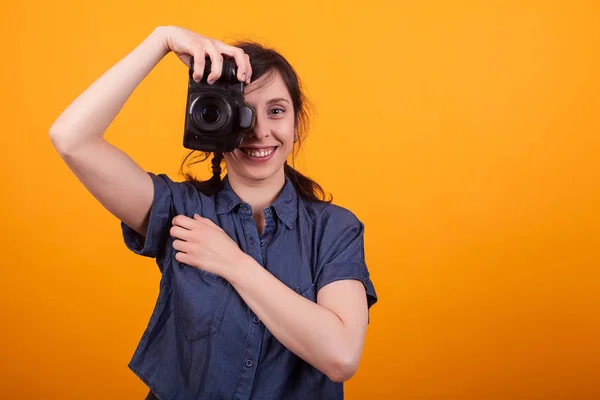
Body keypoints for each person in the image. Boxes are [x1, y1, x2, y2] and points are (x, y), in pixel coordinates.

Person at [49, 25, 378, 400]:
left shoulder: (335, 229)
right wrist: (161, 40)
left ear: (296, 123)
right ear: (211, 120)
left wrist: (234, 263)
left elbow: (341, 355)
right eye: (242, 112)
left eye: (276, 111)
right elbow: (71, 138)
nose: (259, 131)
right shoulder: (180, 212)